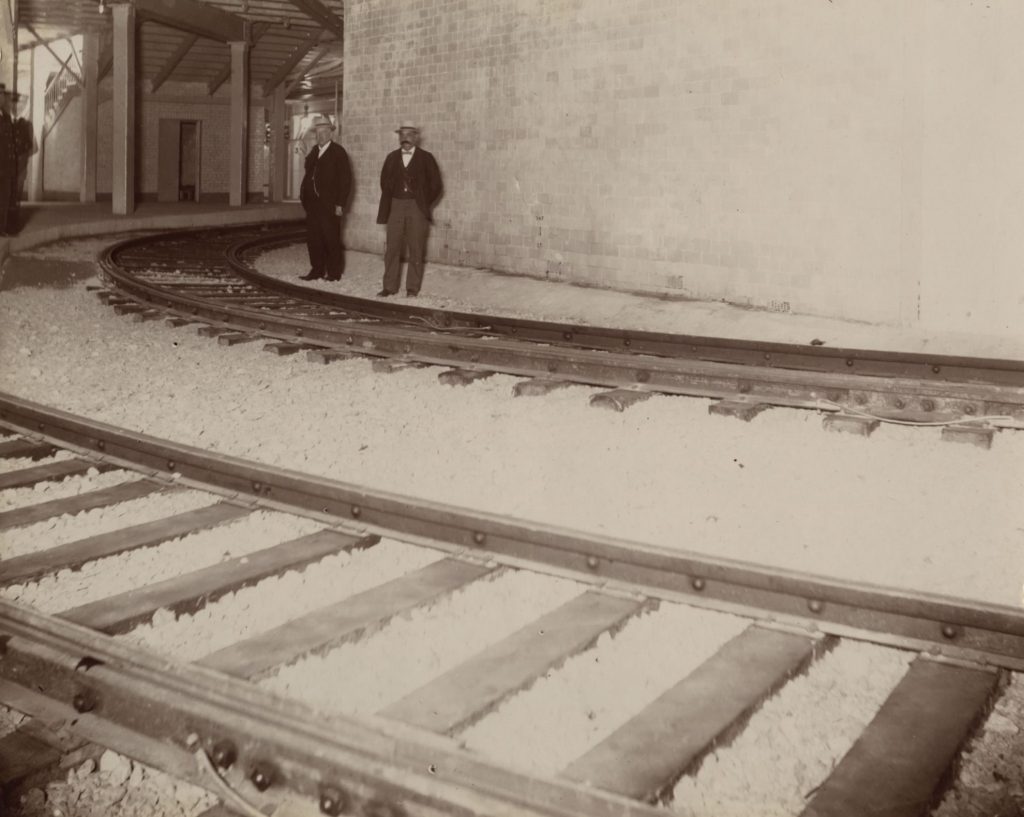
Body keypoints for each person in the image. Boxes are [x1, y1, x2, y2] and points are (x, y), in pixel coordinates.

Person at [376, 122, 443, 297]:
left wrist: (422, 202)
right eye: (402, 135)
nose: (405, 138)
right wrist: (395, 198)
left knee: (416, 248)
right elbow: (384, 183)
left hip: (416, 207)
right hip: (395, 205)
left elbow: (436, 185)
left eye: (409, 134)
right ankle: (389, 287)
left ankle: (412, 288)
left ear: (416, 137)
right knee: (392, 248)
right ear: (399, 137)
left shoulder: (427, 158)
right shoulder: (391, 158)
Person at [298, 116, 352, 282]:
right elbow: (309, 172)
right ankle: (317, 270)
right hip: (313, 205)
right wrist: (306, 155)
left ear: (330, 133)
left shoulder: (338, 152)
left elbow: (345, 180)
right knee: (314, 239)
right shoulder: (314, 151)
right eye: (318, 132)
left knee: (331, 239)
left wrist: (340, 204)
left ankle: (334, 273)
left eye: (324, 132)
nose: (321, 135)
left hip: (330, 205)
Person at [0, 84, 15, 237]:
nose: (3, 98)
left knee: (4, 199)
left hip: (6, 167)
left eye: (3, 95)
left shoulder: (6, 116)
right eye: (1, 95)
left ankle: (1, 229)